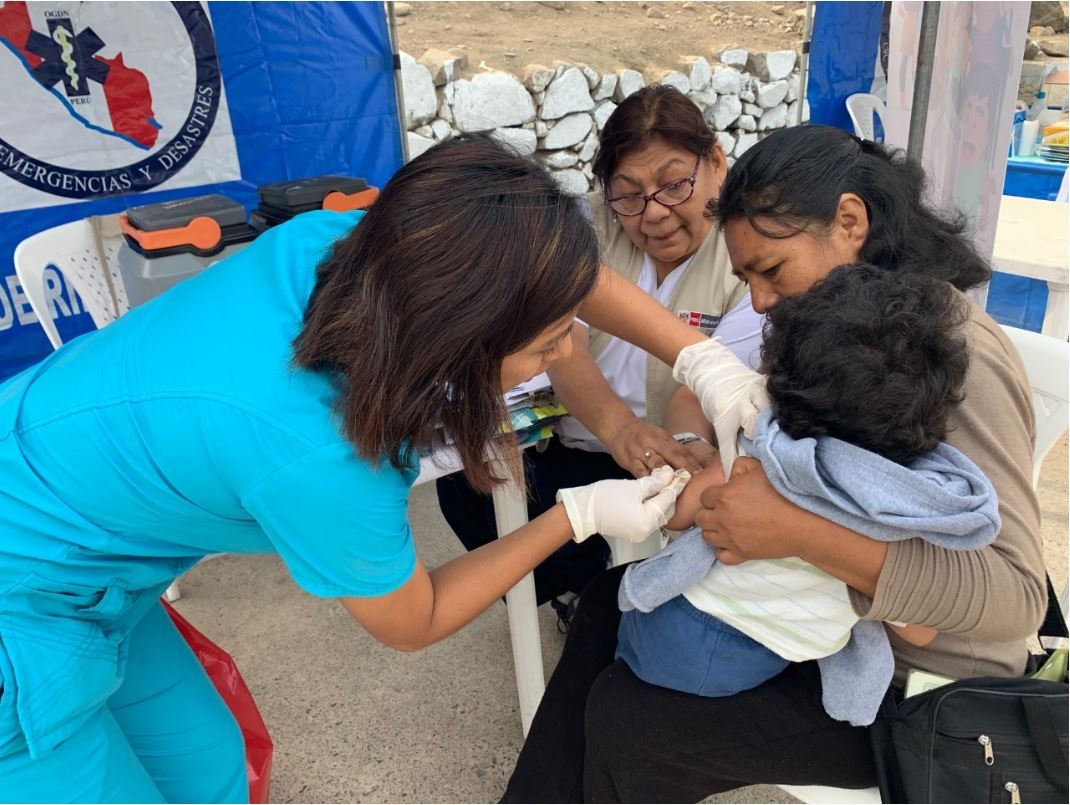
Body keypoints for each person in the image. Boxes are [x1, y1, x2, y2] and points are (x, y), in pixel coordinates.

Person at [0, 135, 689, 803]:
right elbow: (412, 619)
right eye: (549, 343)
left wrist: (698, 358)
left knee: (210, 765)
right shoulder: (326, 454)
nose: (571, 349)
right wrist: (576, 516)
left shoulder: (354, 254)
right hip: (22, 610)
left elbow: (543, 273)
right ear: (460, 339)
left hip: (76, 533)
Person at [502, 125, 1046, 802]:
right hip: (832, 625)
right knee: (607, 604)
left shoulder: (948, 351)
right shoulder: (826, 319)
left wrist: (796, 531)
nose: (759, 301)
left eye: (771, 271)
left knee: (631, 721)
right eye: (746, 278)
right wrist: (699, 440)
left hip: (923, 685)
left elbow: (1016, 596)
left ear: (849, 221)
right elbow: (741, 407)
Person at [615, 265, 1001, 727]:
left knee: (625, 631)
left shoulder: (762, 448)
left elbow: (680, 514)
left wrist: (694, 457)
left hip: (693, 635)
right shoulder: (915, 500)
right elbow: (920, 630)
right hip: (793, 651)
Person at [436, 86, 763, 621]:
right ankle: (582, 585)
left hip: (665, 454)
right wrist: (618, 430)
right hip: (581, 439)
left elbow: (702, 385)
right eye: (628, 194)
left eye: (674, 185)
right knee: (464, 483)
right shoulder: (587, 226)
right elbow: (563, 345)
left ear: (718, 163)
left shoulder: (746, 251)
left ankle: (599, 589)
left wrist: (675, 444)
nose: (652, 214)